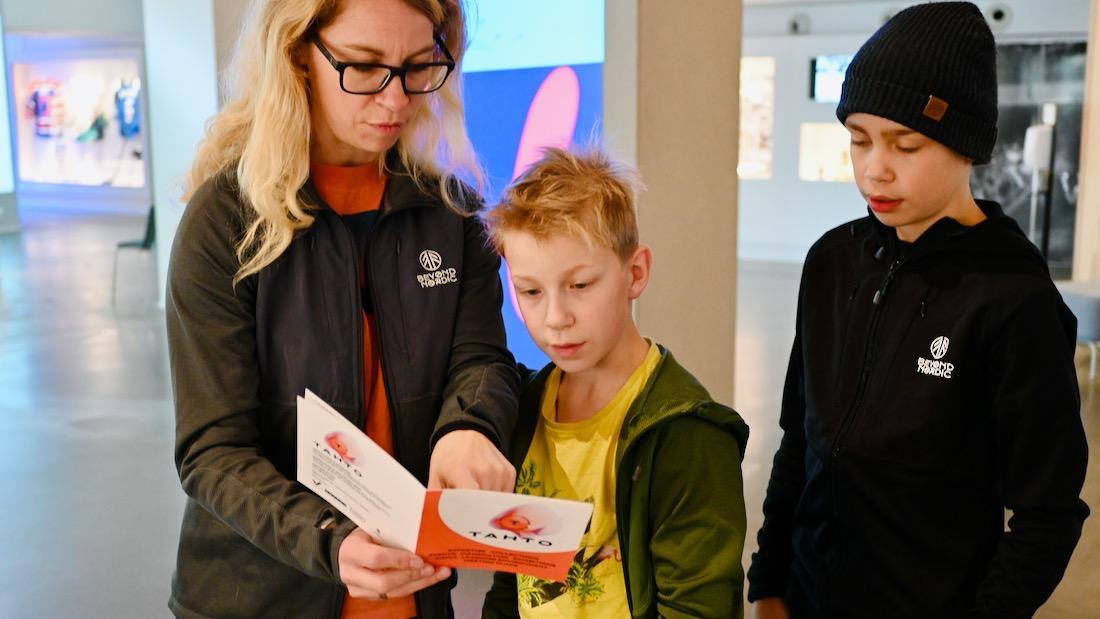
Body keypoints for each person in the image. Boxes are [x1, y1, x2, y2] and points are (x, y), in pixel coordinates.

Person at [165, 1, 520, 617]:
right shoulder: (225, 222)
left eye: (418, 66)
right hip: (262, 594)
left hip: (414, 591)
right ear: (298, 55)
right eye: (363, 67)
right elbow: (212, 450)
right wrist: (328, 540)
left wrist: (470, 425)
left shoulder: (451, 212)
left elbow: (481, 359)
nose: (396, 100)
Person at [746, 3, 1090, 618]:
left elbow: (1049, 512)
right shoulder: (832, 263)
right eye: (858, 139)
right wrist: (770, 582)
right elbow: (800, 442)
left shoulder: (1014, 298)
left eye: (906, 144)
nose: (875, 167)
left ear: (966, 147)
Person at [479, 147, 750, 618]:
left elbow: (699, 607)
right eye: (530, 292)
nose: (555, 319)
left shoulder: (688, 434)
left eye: (580, 285)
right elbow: (512, 583)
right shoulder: (524, 407)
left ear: (636, 272)